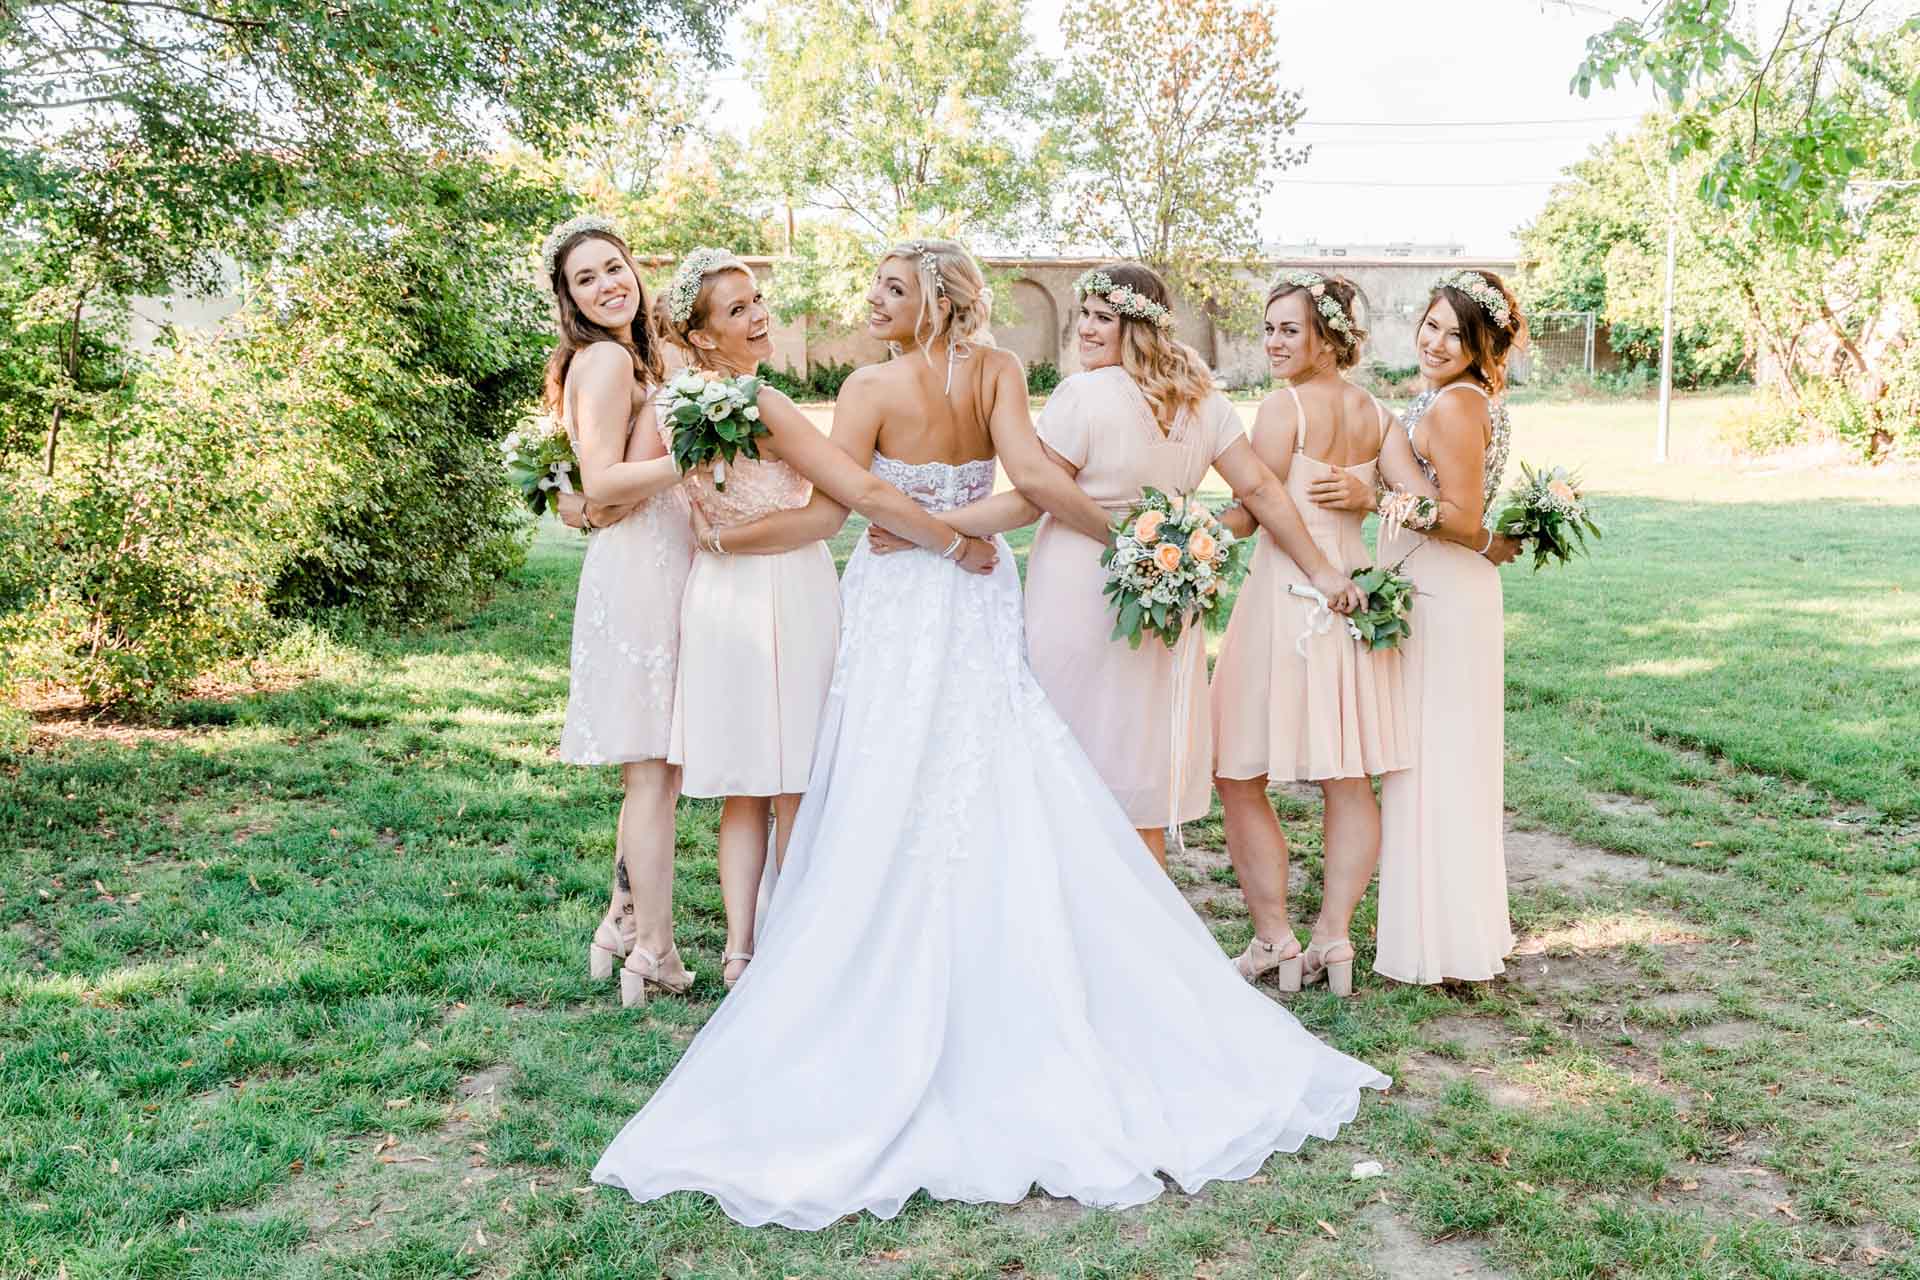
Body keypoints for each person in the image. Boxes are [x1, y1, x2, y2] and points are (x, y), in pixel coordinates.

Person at [591, 240, 1388, 1230]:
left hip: (911, 585)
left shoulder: (872, 385)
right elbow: (1027, 482)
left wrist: (935, 532)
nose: (870, 300)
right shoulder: (999, 372)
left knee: (930, 756)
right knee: (971, 756)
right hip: (968, 582)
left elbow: (858, 501)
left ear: (930, 301)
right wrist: (976, 533)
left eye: (887, 288)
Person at [874, 263, 1359, 866]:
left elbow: (1031, 496)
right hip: (1165, 594)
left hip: (1084, 592)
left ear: (1137, 326)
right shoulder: (1202, 399)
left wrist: (930, 528)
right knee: (1138, 766)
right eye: (1084, 315)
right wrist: (1308, 566)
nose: (1084, 329)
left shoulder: (1084, 395)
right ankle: (1140, 914)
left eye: (1103, 318)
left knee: (1072, 753)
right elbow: (1257, 496)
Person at [652, 247, 996, 990]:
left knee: (744, 781)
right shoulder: (761, 404)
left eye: (756, 300)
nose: (759, 315)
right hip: (784, 590)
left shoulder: (675, 405)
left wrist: (718, 540)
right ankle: (790, 942)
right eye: (738, 310)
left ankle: (740, 949)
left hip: (717, 593)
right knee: (795, 778)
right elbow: (844, 505)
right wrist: (951, 542)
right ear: (704, 335)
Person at [1309, 269, 1526, 984]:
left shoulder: (1459, 406)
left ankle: (1441, 943)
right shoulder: (1454, 396)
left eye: (1455, 334)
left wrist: (1374, 499)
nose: (1436, 341)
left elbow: (1460, 519)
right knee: (1434, 759)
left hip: (1445, 595)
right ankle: (1444, 932)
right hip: (1440, 586)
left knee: (1435, 761)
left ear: (1481, 343)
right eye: (1431, 325)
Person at [1212, 271, 1411, 997]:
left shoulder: (1283, 405)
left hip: (1285, 596)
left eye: (1288, 329)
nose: (1272, 341)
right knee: (1347, 774)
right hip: (1351, 600)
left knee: (1236, 767)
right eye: (1268, 328)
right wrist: (1375, 497)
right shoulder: (1378, 414)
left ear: (1329, 337)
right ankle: (1334, 938)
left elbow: (1254, 506)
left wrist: (1188, 526)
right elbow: (1416, 503)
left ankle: (1276, 938)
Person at [543, 215, 697, 1008]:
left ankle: (620, 920)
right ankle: (656, 949)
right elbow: (599, 483)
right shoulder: (604, 359)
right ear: (569, 299)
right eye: (587, 279)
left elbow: (587, 496)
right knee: (654, 774)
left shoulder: (629, 356)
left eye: (614, 268)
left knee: (654, 769)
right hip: (641, 566)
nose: (609, 285)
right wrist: (693, 456)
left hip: (653, 557)